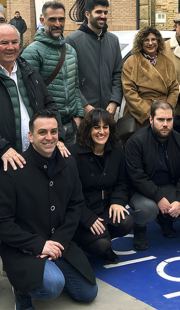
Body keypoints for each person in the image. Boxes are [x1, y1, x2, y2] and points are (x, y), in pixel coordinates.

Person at [0, 24, 63, 306]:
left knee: (31, 216)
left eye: (14, 42)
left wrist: (57, 136)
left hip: (33, 159)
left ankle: (25, 272)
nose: (10, 47)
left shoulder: (29, 71)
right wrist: (2, 148)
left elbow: (49, 105)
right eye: (4, 43)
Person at [0, 110, 98, 310]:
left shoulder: (68, 164)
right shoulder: (14, 170)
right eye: (42, 132)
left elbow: (76, 206)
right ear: (30, 136)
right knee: (52, 286)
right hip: (23, 249)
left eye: (53, 131)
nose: (49, 137)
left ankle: (50, 267)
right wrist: (39, 245)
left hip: (59, 244)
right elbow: (0, 221)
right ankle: (22, 290)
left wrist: (58, 242)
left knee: (88, 293)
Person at [126, 101, 180, 251]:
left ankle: (165, 218)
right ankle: (139, 227)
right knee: (149, 209)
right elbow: (136, 176)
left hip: (168, 185)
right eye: (160, 119)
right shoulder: (136, 141)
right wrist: (159, 198)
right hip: (139, 189)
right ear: (151, 119)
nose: (165, 124)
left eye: (169, 119)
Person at [70, 109, 134, 264]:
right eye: (96, 127)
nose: (101, 132)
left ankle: (102, 240)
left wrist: (117, 201)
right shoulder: (73, 154)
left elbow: (122, 181)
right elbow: (69, 196)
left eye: (105, 127)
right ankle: (79, 244)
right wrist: (88, 218)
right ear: (88, 129)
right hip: (83, 210)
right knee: (101, 245)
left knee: (127, 222)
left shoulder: (116, 148)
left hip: (106, 205)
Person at [22, 1, 85, 145]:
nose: (58, 24)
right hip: (48, 130)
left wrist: (79, 116)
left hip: (72, 125)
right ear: (42, 20)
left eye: (61, 19)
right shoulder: (33, 52)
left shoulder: (70, 50)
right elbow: (29, 95)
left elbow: (75, 87)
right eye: (52, 19)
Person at [65, 0, 123, 116]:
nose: (103, 16)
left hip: (107, 111)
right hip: (83, 112)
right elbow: (68, 78)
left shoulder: (113, 40)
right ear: (87, 14)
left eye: (105, 12)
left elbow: (118, 73)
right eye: (98, 12)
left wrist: (114, 101)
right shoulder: (72, 40)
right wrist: (84, 105)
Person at [122, 26, 180, 127]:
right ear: (140, 42)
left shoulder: (168, 62)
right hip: (140, 116)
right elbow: (129, 91)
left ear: (158, 41)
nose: (150, 43)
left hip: (163, 115)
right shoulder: (131, 62)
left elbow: (174, 89)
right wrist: (149, 113)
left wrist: (165, 111)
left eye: (153, 39)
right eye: (146, 40)